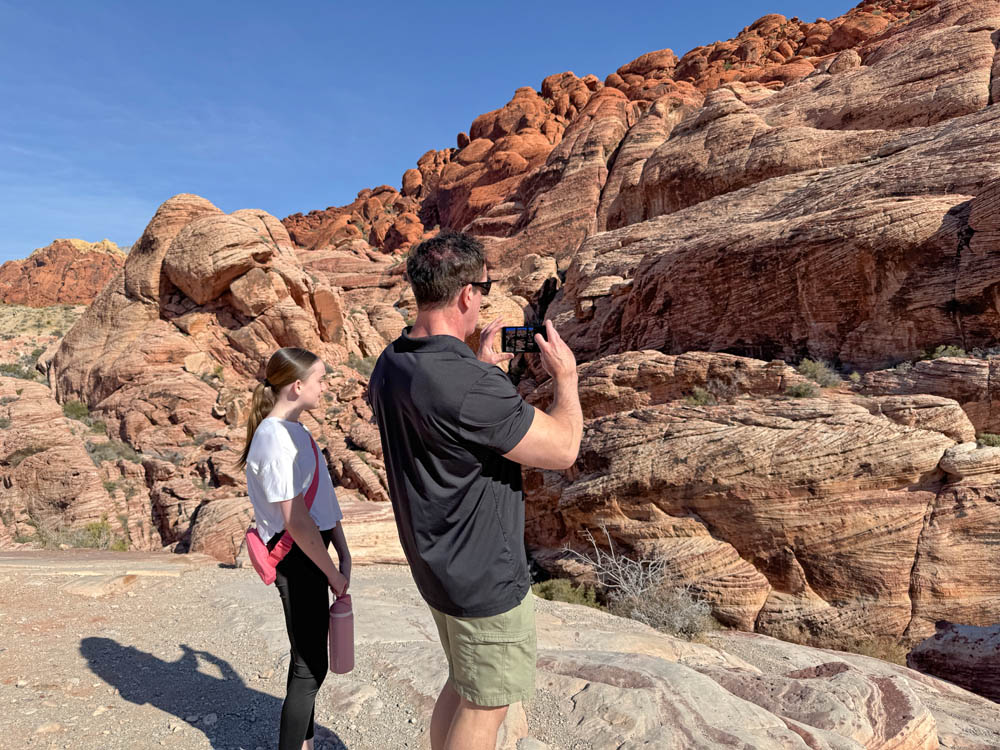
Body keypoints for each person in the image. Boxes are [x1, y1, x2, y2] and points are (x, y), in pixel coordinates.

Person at [367, 232, 583, 750]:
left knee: (465, 683)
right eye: (484, 287)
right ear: (466, 293)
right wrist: (567, 378)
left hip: (435, 565)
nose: (484, 298)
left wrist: (483, 369)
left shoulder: (390, 363)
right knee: (487, 705)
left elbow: (448, 430)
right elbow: (563, 450)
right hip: (483, 577)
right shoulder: (466, 384)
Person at [237, 347, 351, 750]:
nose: (325, 387)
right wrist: (333, 572)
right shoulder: (272, 438)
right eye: (320, 379)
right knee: (311, 664)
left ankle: (304, 744)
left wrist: (342, 548)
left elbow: (319, 500)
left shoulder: (296, 432)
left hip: (311, 554)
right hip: (298, 557)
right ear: (297, 386)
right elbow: (296, 519)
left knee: (307, 657)